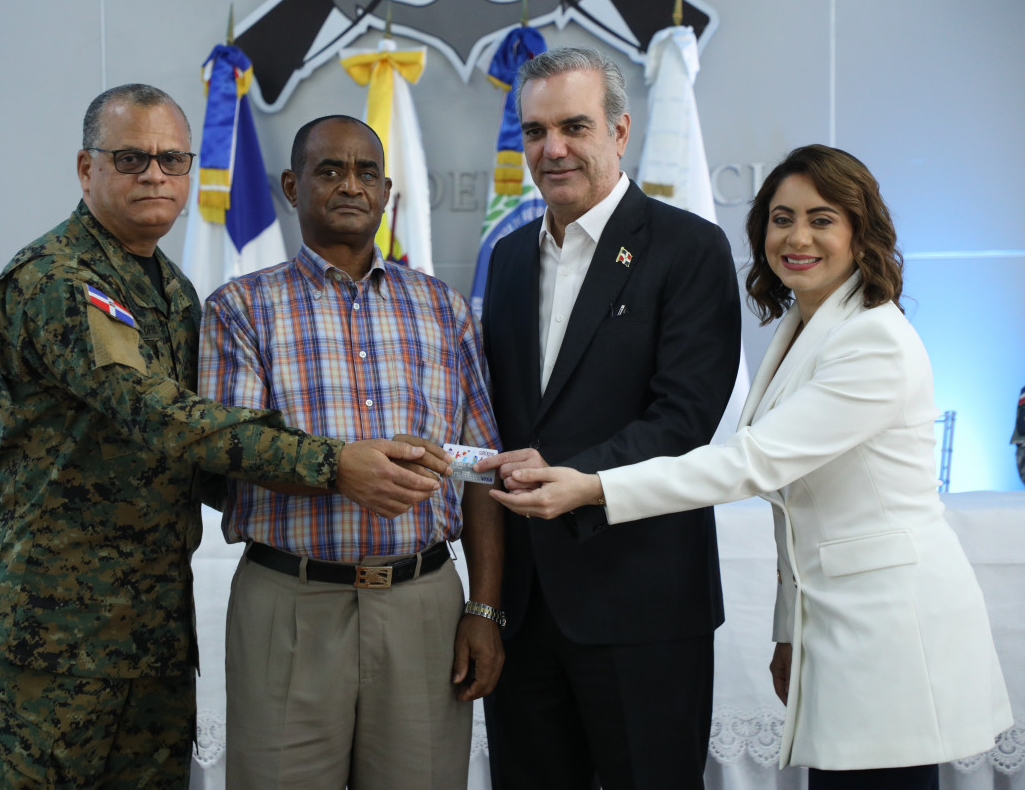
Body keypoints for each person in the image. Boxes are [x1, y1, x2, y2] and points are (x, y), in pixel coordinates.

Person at [0, 85, 446, 790]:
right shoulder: (57, 279)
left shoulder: (173, 291)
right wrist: (333, 463)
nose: (155, 175)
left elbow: (208, 459)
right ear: (87, 168)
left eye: (172, 159)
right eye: (131, 158)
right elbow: (163, 417)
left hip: (150, 635)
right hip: (51, 637)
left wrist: (340, 505)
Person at [490, 145, 1013, 789]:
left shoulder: (873, 339)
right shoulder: (805, 326)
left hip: (891, 625)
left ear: (862, 232)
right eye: (781, 218)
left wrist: (594, 486)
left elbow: (753, 463)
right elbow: (797, 509)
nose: (797, 238)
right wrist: (788, 630)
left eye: (822, 220)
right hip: (836, 622)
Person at [199, 115, 504, 789]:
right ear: (292, 186)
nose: (350, 185)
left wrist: (483, 610)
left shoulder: (445, 310)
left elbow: (481, 469)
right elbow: (232, 451)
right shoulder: (240, 308)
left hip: (423, 606)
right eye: (329, 170)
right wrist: (342, 468)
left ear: (387, 192)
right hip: (290, 605)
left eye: (367, 172)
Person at [478, 46, 743, 789]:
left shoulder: (689, 248)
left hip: (643, 603)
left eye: (574, 126)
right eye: (536, 131)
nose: (552, 149)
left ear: (620, 132)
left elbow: (685, 417)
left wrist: (578, 478)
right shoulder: (507, 258)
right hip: (525, 608)